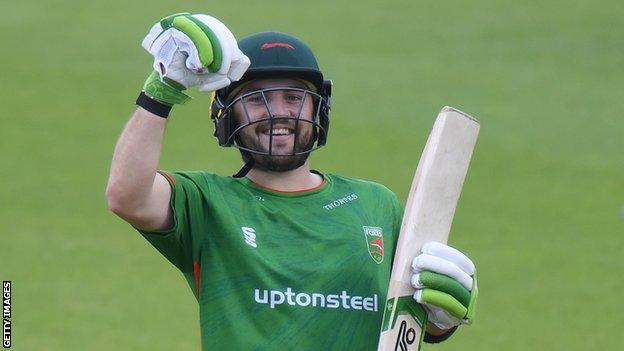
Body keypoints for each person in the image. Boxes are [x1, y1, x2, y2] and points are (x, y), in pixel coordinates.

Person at [106, 13, 478, 350]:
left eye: (293, 98)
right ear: (226, 115)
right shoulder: (206, 203)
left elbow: (412, 321)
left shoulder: (376, 204)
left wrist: (443, 317)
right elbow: (127, 196)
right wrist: (162, 87)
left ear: (318, 108)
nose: (277, 112)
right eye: (257, 100)